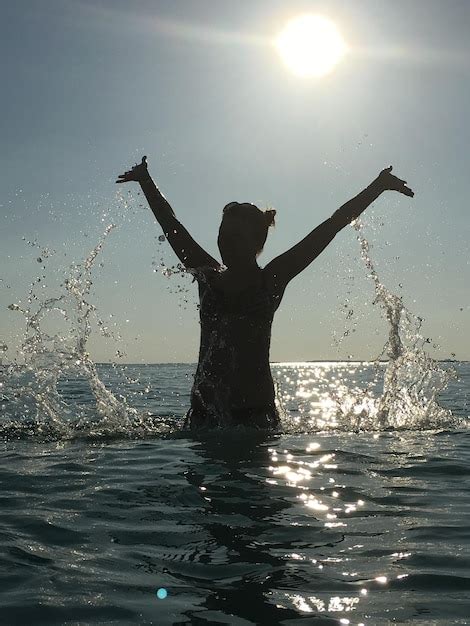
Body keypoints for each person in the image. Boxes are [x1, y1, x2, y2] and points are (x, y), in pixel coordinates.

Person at [117, 156, 413, 430]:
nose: (225, 243)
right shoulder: (207, 276)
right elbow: (172, 225)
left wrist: (377, 187)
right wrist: (146, 181)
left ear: (257, 240)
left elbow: (331, 225)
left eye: (234, 236)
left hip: (256, 420)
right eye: (222, 235)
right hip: (203, 418)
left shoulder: (271, 279)